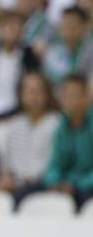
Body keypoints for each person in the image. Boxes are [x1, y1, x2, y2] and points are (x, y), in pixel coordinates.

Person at [0, 71, 60, 195]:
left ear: (47, 94)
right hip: (14, 183)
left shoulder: (56, 123)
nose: (33, 96)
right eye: (28, 91)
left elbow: (53, 163)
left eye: (38, 91)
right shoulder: (14, 124)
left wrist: (28, 180)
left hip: (41, 184)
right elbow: (5, 161)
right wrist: (5, 175)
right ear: (21, 94)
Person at [41, 75, 93, 207]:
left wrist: (75, 185)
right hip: (66, 185)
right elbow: (55, 164)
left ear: (86, 97)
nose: (71, 100)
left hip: (86, 186)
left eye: (75, 95)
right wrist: (54, 182)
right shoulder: (61, 127)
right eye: (66, 96)